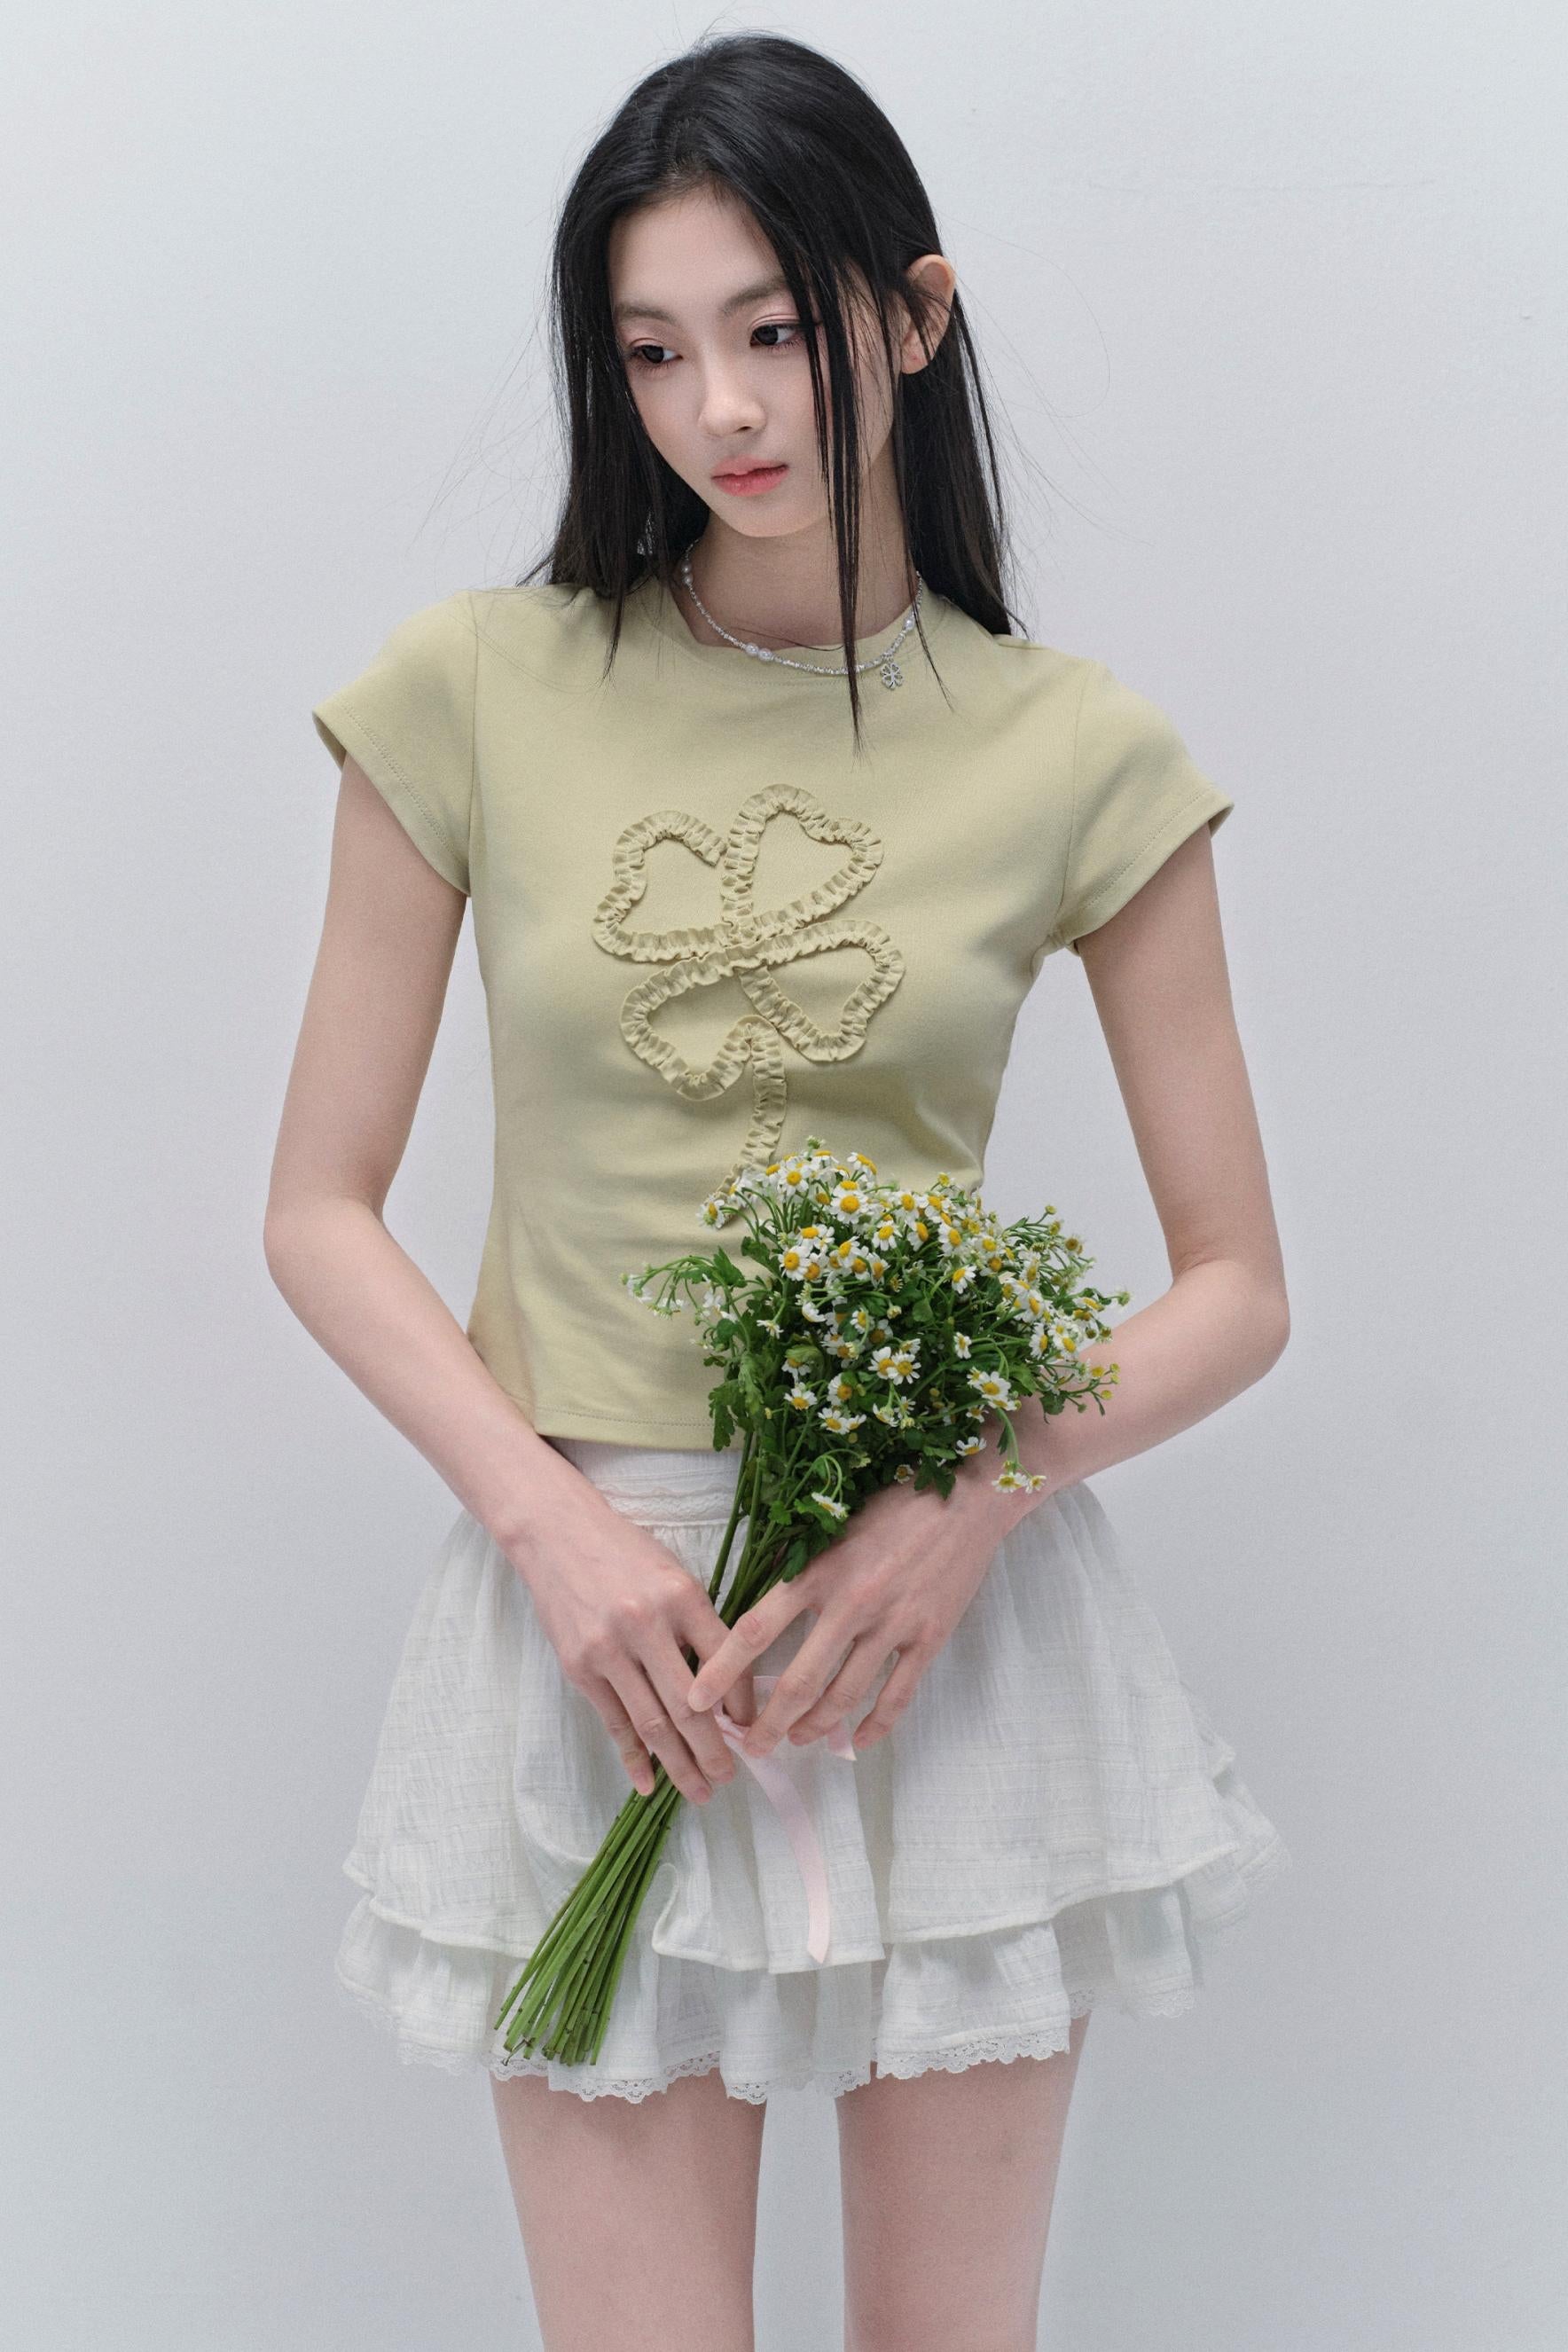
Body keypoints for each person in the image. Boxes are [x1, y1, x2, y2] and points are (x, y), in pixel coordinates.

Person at [264, 31, 1291, 2352]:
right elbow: (317, 1204)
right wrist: (554, 1528)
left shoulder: (1072, 747)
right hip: (594, 1626)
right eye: (652, 351)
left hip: (939, 1624)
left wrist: (970, 1502)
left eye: (772, 330)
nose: (718, 407)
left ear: (911, 320)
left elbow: (1240, 1283)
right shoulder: (478, 688)